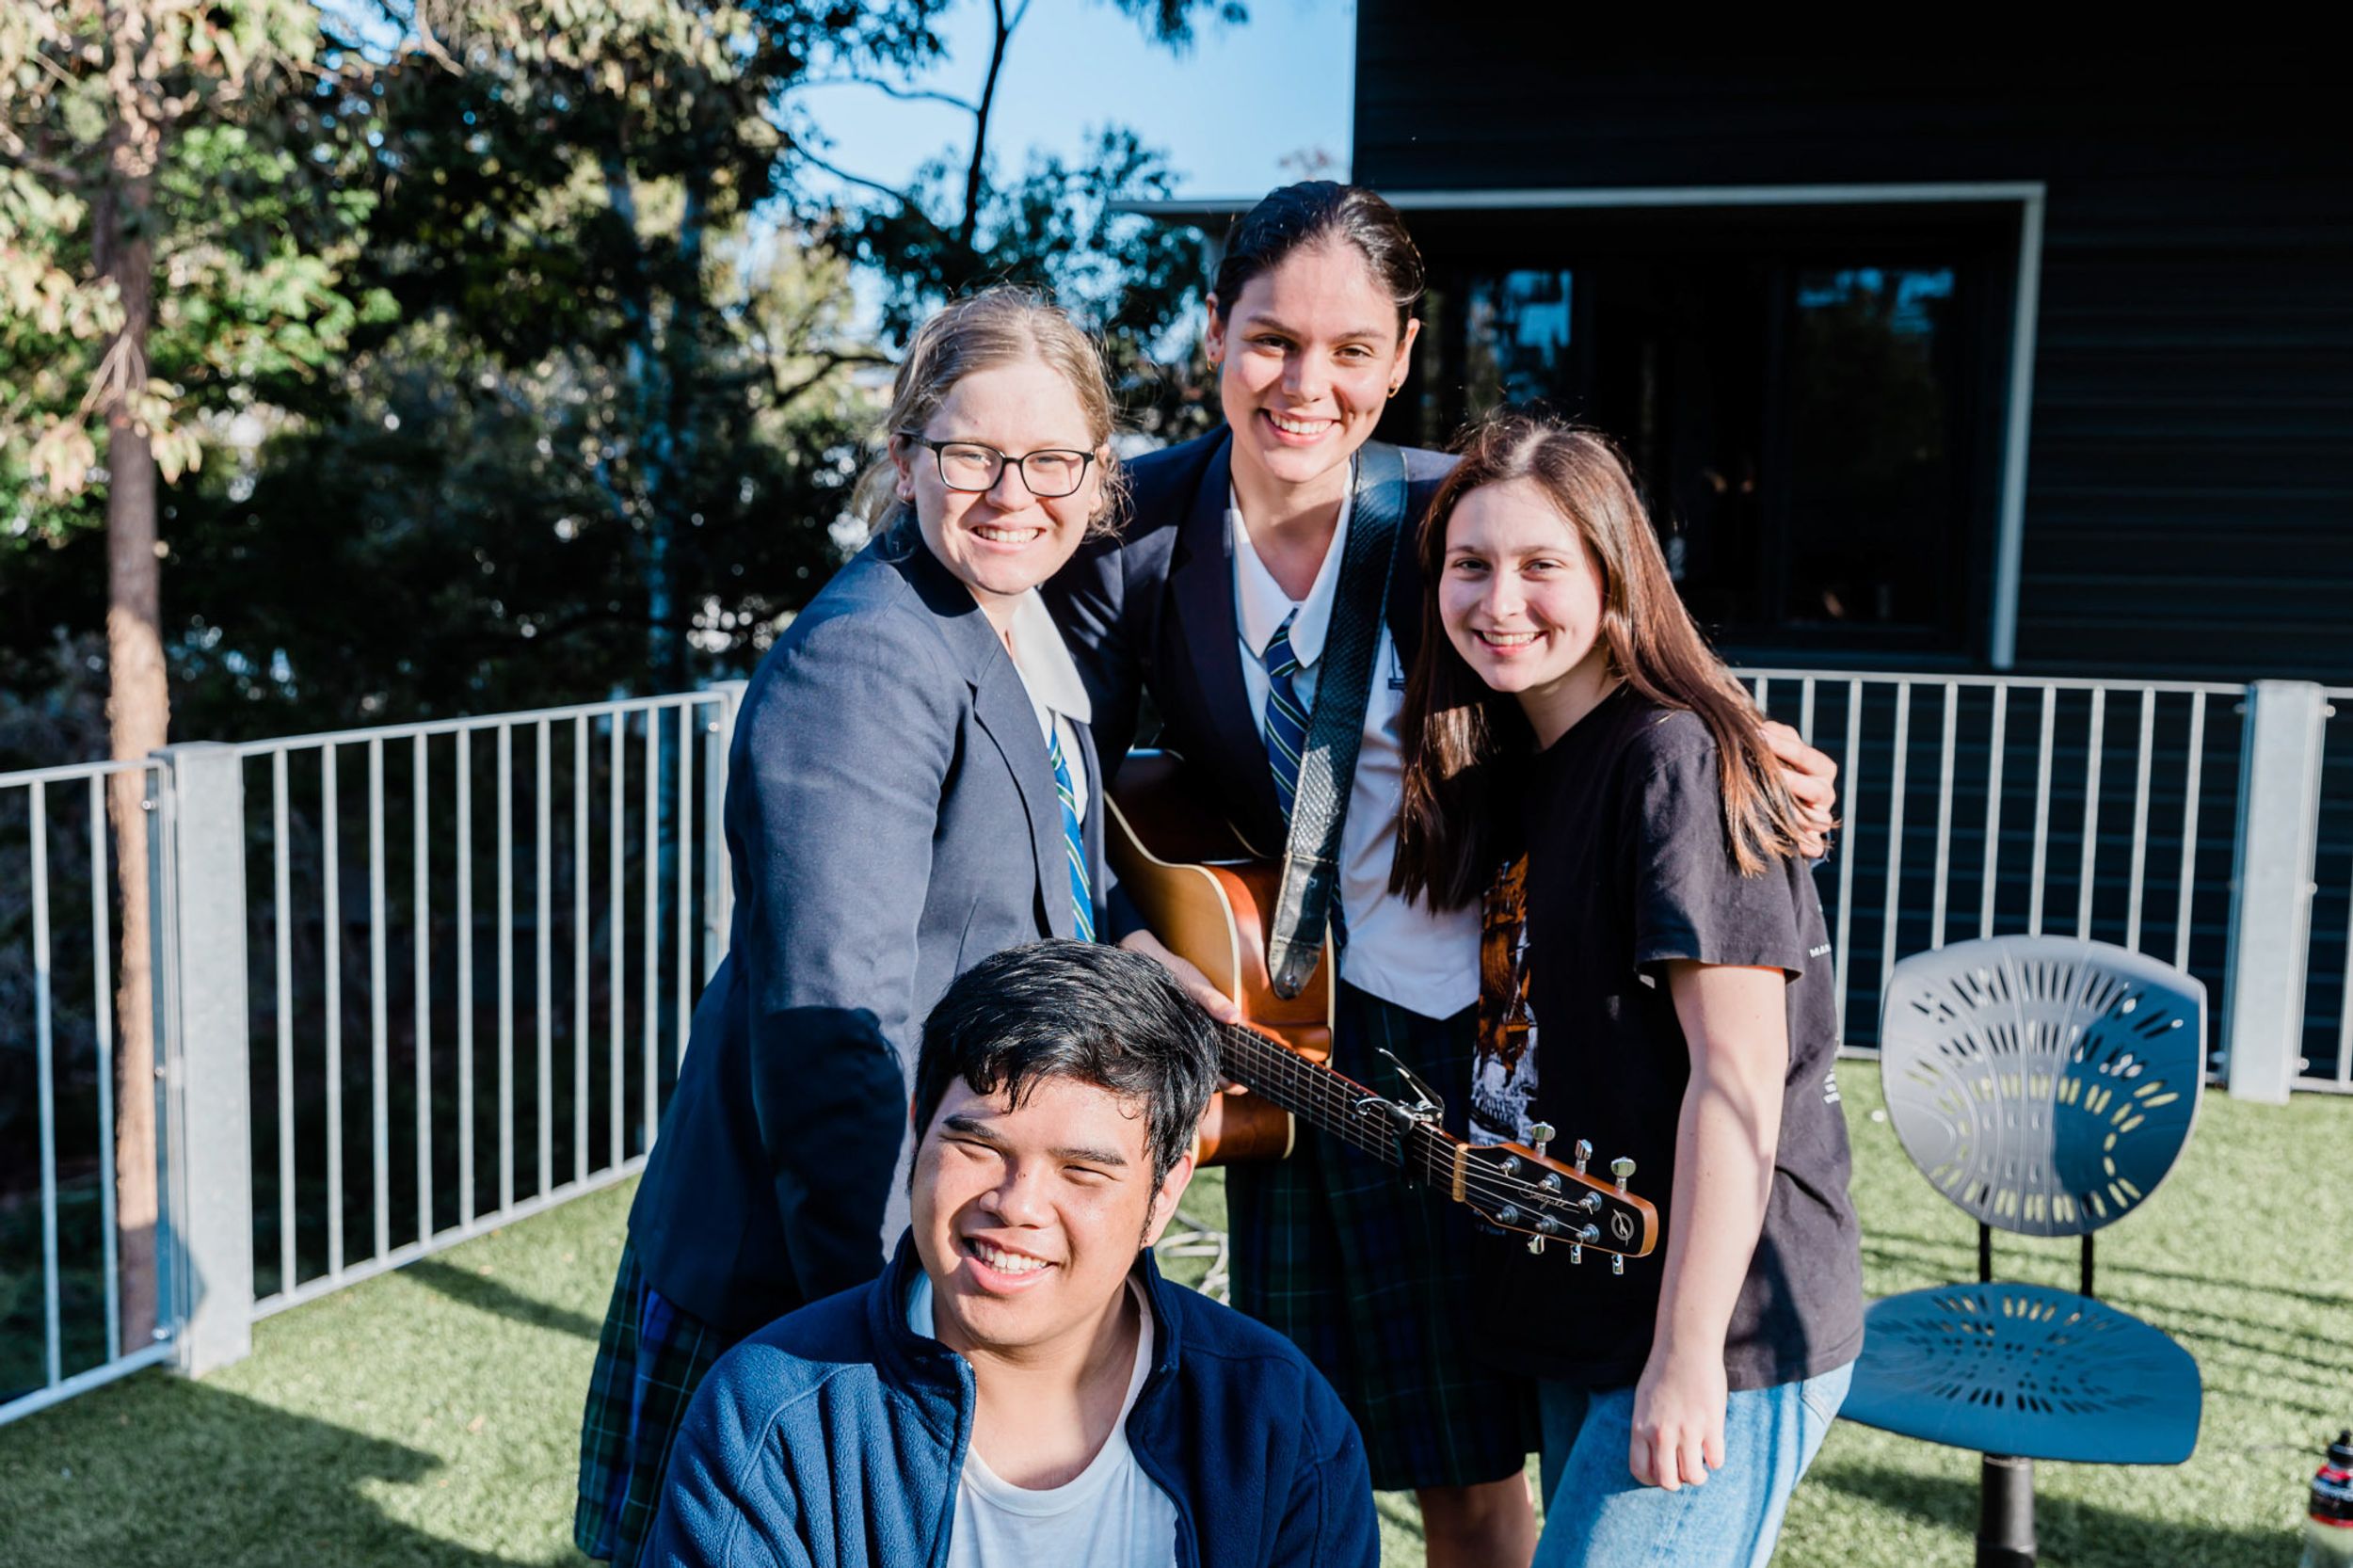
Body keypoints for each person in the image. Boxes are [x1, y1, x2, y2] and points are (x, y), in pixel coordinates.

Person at [1045, 180, 1840, 1567]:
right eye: (1271, 340)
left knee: (1475, 1465)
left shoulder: (1454, 515)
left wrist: (1733, 726)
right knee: (1300, 1437)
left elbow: (1612, 640)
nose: (1307, 385)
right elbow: (1056, 777)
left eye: (1352, 349)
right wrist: (1125, 934)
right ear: (1215, 331)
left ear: (1403, 355)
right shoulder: (1133, 533)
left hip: (1494, 1046)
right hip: (1295, 1040)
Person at [575, 288, 1127, 1567]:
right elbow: (835, 1035)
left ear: (1097, 473)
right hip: (821, 1261)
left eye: (1051, 459)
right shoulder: (866, 658)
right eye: (971, 453)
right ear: (906, 456)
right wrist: (897, 1319)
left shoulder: (1020, 627)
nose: (1012, 493)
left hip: (946, 1230)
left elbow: (1043, 882)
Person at [1389, 413, 1865, 1568]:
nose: (1499, 601)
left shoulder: (1674, 760)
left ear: (1614, 579)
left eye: (1541, 565)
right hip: (1585, 1298)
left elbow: (1737, 1077)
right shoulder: (1520, 763)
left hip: (1719, 1324)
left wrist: (1688, 1354)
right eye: (1470, 565)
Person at [642, 939, 1380, 1568]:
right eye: (978, 1146)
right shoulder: (768, 1418)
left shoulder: (1279, 1423)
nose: (1017, 1205)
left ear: (1164, 1193)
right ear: (918, 1131)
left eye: (1082, 1171)